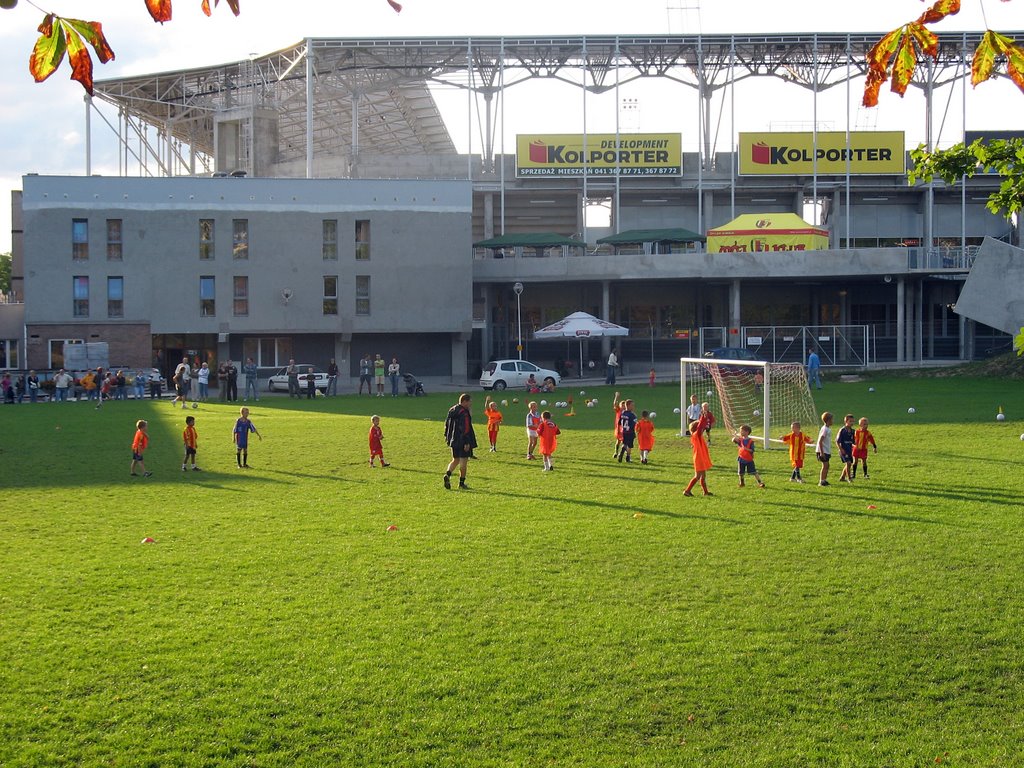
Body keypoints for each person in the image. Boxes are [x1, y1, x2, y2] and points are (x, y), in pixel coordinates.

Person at [443, 393, 476, 490]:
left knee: (455, 460)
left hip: (453, 440)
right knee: (463, 462)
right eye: (469, 402)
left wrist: (447, 437)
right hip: (462, 440)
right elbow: (465, 428)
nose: (470, 404)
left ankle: (447, 475)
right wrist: (466, 442)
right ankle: (461, 483)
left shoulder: (452, 409)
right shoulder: (464, 413)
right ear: (465, 401)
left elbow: (447, 424)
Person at [683, 419, 713, 497]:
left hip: (701, 458)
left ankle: (705, 492)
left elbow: (700, 428)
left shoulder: (698, 436)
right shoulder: (696, 435)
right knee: (697, 476)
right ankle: (687, 490)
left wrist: (704, 419)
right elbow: (699, 428)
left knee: (703, 476)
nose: (703, 429)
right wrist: (703, 418)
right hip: (698, 459)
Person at [836, 413, 856, 483]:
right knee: (848, 463)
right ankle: (849, 478)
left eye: (853, 421)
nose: (852, 423)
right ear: (846, 421)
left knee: (849, 463)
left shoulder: (853, 431)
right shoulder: (842, 430)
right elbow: (837, 441)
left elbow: (854, 442)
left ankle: (842, 477)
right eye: (850, 421)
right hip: (843, 450)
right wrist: (841, 449)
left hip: (850, 450)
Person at [815, 411, 834, 487]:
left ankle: (824, 480)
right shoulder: (825, 429)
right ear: (828, 420)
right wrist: (822, 453)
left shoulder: (827, 429)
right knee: (825, 465)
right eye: (832, 420)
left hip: (826, 450)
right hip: (822, 450)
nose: (833, 421)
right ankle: (821, 481)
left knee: (827, 465)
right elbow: (820, 441)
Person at [617, 399, 637, 463]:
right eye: (632, 405)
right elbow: (635, 425)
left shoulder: (622, 413)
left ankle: (622, 451)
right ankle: (627, 457)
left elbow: (619, 422)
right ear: (628, 406)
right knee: (630, 445)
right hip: (630, 432)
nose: (633, 407)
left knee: (624, 443)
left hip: (624, 431)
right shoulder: (633, 415)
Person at [611, 391, 624, 458]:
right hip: (619, 429)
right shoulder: (618, 410)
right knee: (618, 441)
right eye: (622, 405)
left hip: (625, 429)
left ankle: (622, 454)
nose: (623, 407)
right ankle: (616, 452)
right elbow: (615, 404)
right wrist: (616, 397)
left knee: (624, 442)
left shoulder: (627, 412)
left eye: (624, 406)